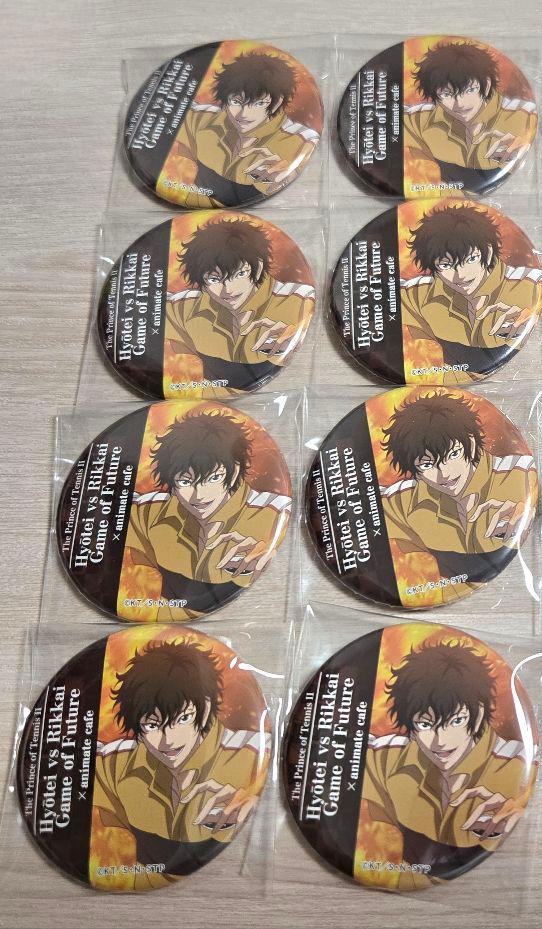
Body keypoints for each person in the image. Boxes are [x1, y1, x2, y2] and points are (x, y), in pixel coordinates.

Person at [94, 639, 265, 890]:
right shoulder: (116, 763)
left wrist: (257, 802)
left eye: (183, 718)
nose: (168, 740)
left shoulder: (254, 754)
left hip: (224, 889)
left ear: (205, 709)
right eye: (152, 725)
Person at [362, 641, 533, 886]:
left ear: (480, 714)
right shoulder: (388, 757)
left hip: (486, 886)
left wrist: (523, 805)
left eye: (456, 721)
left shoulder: (518, 762)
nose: (440, 741)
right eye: (424, 724)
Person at [125, 410, 291, 619]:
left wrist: (265, 557)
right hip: (155, 625)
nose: (199, 495)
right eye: (185, 481)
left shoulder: (275, 513)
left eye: (214, 478)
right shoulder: (149, 511)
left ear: (235, 471)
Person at [380, 392, 534, 599]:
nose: (445, 473)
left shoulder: (522, 474)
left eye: (453, 454)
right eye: (427, 464)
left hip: (510, 597)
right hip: (439, 604)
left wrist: (527, 514)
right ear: (412, 467)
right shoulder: (403, 500)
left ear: (471, 442)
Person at [167, 217, 314, 390]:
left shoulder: (300, 301)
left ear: (258, 268)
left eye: (240, 274)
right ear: (201, 280)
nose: (228, 290)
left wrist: (294, 337)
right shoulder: (184, 307)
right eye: (214, 279)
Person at [401, 205, 541, 381]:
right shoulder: (419, 294)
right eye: (445, 265)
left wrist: (529, 317)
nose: (461, 275)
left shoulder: (530, 285)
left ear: (489, 252)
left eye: (471, 259)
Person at [173, 51, 320, 207]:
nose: (244, 114)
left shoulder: (298, 140)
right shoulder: (204, 119)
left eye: (258, 104)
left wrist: (290, 170)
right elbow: (171, 107)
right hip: (193, 212)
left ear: (277, 103)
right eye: (236, 102)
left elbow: (311, 138)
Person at [403, 41, 536, 191]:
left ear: (486, 85)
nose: (460, 104)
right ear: (434, 94)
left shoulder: (525, 116)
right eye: (447, 94)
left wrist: (525, 149)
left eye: (470, 90)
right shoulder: (419, 120)